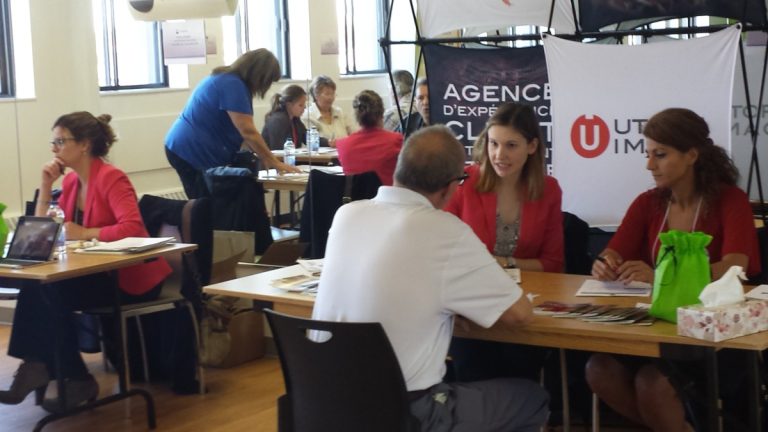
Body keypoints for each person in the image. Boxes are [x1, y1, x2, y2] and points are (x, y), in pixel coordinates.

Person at [313, 125, 550, 431]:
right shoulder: (445, 230)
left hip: (325, 403)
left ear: (400, 167)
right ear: (451, 187)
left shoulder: (347, 215)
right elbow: (520, 314)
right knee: (531, 398)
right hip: (406, 412)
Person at [587, 108, 761, 432]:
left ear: (692, 155)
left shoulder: (730, 200)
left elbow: (735, 266)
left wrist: (661, 276)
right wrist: (605, 264)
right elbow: (613, 250)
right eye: (648, 154)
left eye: (660, 155)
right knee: (599, 368)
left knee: (652, 384)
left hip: (710, 336)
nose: (649, 165)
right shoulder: (648, 202)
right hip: (654, 326)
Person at [0, 112, 172, 413]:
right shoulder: (70, 185)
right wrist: (44, 184)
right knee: (38, 288)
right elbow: (44, 230)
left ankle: (57, 371)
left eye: (60, 141)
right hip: (95, 275)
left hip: (130, 279)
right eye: (53, 142)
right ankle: (49, 367)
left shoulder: (110, 177)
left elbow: (132, 227)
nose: (54, 148)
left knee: (50, 293)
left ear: (84, 145)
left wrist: (86, 233)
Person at [444, 102, 563, 383]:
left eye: (511, 145)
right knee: (474, 363)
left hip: (524, 307)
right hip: (470, 306)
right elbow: (443, 247)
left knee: (518, 363)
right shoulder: (465, 181)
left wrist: (505, 263)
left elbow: (554, 265)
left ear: (532, 146)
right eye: (493, 143)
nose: (499, 155)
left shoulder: (548, 189)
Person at [165, 49, 298, 199]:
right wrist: (272, 161)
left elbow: (241, 134)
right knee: (204, 205)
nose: (265, 87)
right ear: (259, 75)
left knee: (209, 204)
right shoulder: (233, 85)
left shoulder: (225, 79)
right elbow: (247, 131)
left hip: (186, 146)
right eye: (267, 82)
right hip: (191, 150)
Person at [335, 90, 403, 186]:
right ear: (382, 113)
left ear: (356, 116)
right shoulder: (397, 140)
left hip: (355, 200)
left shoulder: (342, 145)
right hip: (387, 199)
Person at [303, 75, 356, 147]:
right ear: (316, 95)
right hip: (321, 157)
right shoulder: (308, 116)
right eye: (327, 94)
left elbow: (353, 134)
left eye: (333, 94)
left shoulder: (340, 112)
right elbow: (310, 142)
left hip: (344, 153)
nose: (331, 97)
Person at [261, 84, 309, 150]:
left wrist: (327, 142)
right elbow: (279, 150)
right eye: (300, 105)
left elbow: (307, 137)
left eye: (304, 104)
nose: (305, 107)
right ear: (289, 104)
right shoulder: (278, 121)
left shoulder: (295, 119)